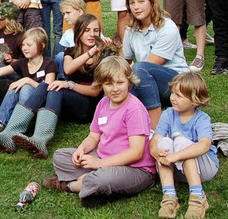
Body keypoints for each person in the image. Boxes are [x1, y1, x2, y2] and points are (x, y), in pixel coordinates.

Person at [0, 14, 104, 158]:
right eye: (87, 30)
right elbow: (69, 68)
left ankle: (40, 139)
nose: (92, 34)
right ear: (79, 32)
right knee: (47, 86)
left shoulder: (103, 55)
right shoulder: (71, 51)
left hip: (87, 108)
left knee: (57, 89)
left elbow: (95, 92)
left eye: (96, 31)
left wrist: (69, 84)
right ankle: (10, 133)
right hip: (68, 106)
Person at [40, 56, 155, 207]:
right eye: (108, 84)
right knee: (60, 156)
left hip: (135, 168)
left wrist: (100, 164)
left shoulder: (134, 109)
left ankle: (71, 185)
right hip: (104, 158)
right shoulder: (103, 103)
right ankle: (94, 185)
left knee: (100, 178)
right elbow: (93, 136)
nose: (115, 89)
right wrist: (81, 150)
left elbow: (136, 152)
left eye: (120, 83)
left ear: (129, 83)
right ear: (101, 85)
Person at [150, 72, 218, 219]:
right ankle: (169, 196)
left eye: (179, 95)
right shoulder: (168, 114)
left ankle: (198, 197)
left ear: (194, 100)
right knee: (164, 143)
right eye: (173, 93)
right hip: (178, 170)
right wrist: (155, 151)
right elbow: (156, 139)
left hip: (205, 168)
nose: (173, 98)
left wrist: (176, 156)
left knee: (181, 141)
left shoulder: (202, 118)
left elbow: (204, 146)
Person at [123, 0, 189, 128]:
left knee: (140, 70)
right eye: (132, 3)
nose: (136, 7)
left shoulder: (168, 27)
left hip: (180, 82)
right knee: (120, 80)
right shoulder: (130, 29)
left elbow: (150, 64)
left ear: (152, 2)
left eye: (141, 1)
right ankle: (123, 124)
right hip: (145, 78)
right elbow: (125, 61)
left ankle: (155, 127)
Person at [0, 27, 56, 133]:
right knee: (14, 88)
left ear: (41, 46)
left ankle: (17, 125)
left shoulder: (49, 64)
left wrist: (27, 80)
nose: (24, 48)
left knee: (25, 87)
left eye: (29, 45)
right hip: (24, 100)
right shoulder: (22, 62)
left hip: (41, 104)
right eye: (23, 45)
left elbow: (48, 88)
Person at [55, 0, 87, 78]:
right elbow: (67, 54)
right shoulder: (68, 33)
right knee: (60, 56)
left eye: (68, 13)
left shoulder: (92, 31)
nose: (65, 17)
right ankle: (63, 79)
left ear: (80, 11)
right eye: (63, 14)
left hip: (88, 64)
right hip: (72, 66)